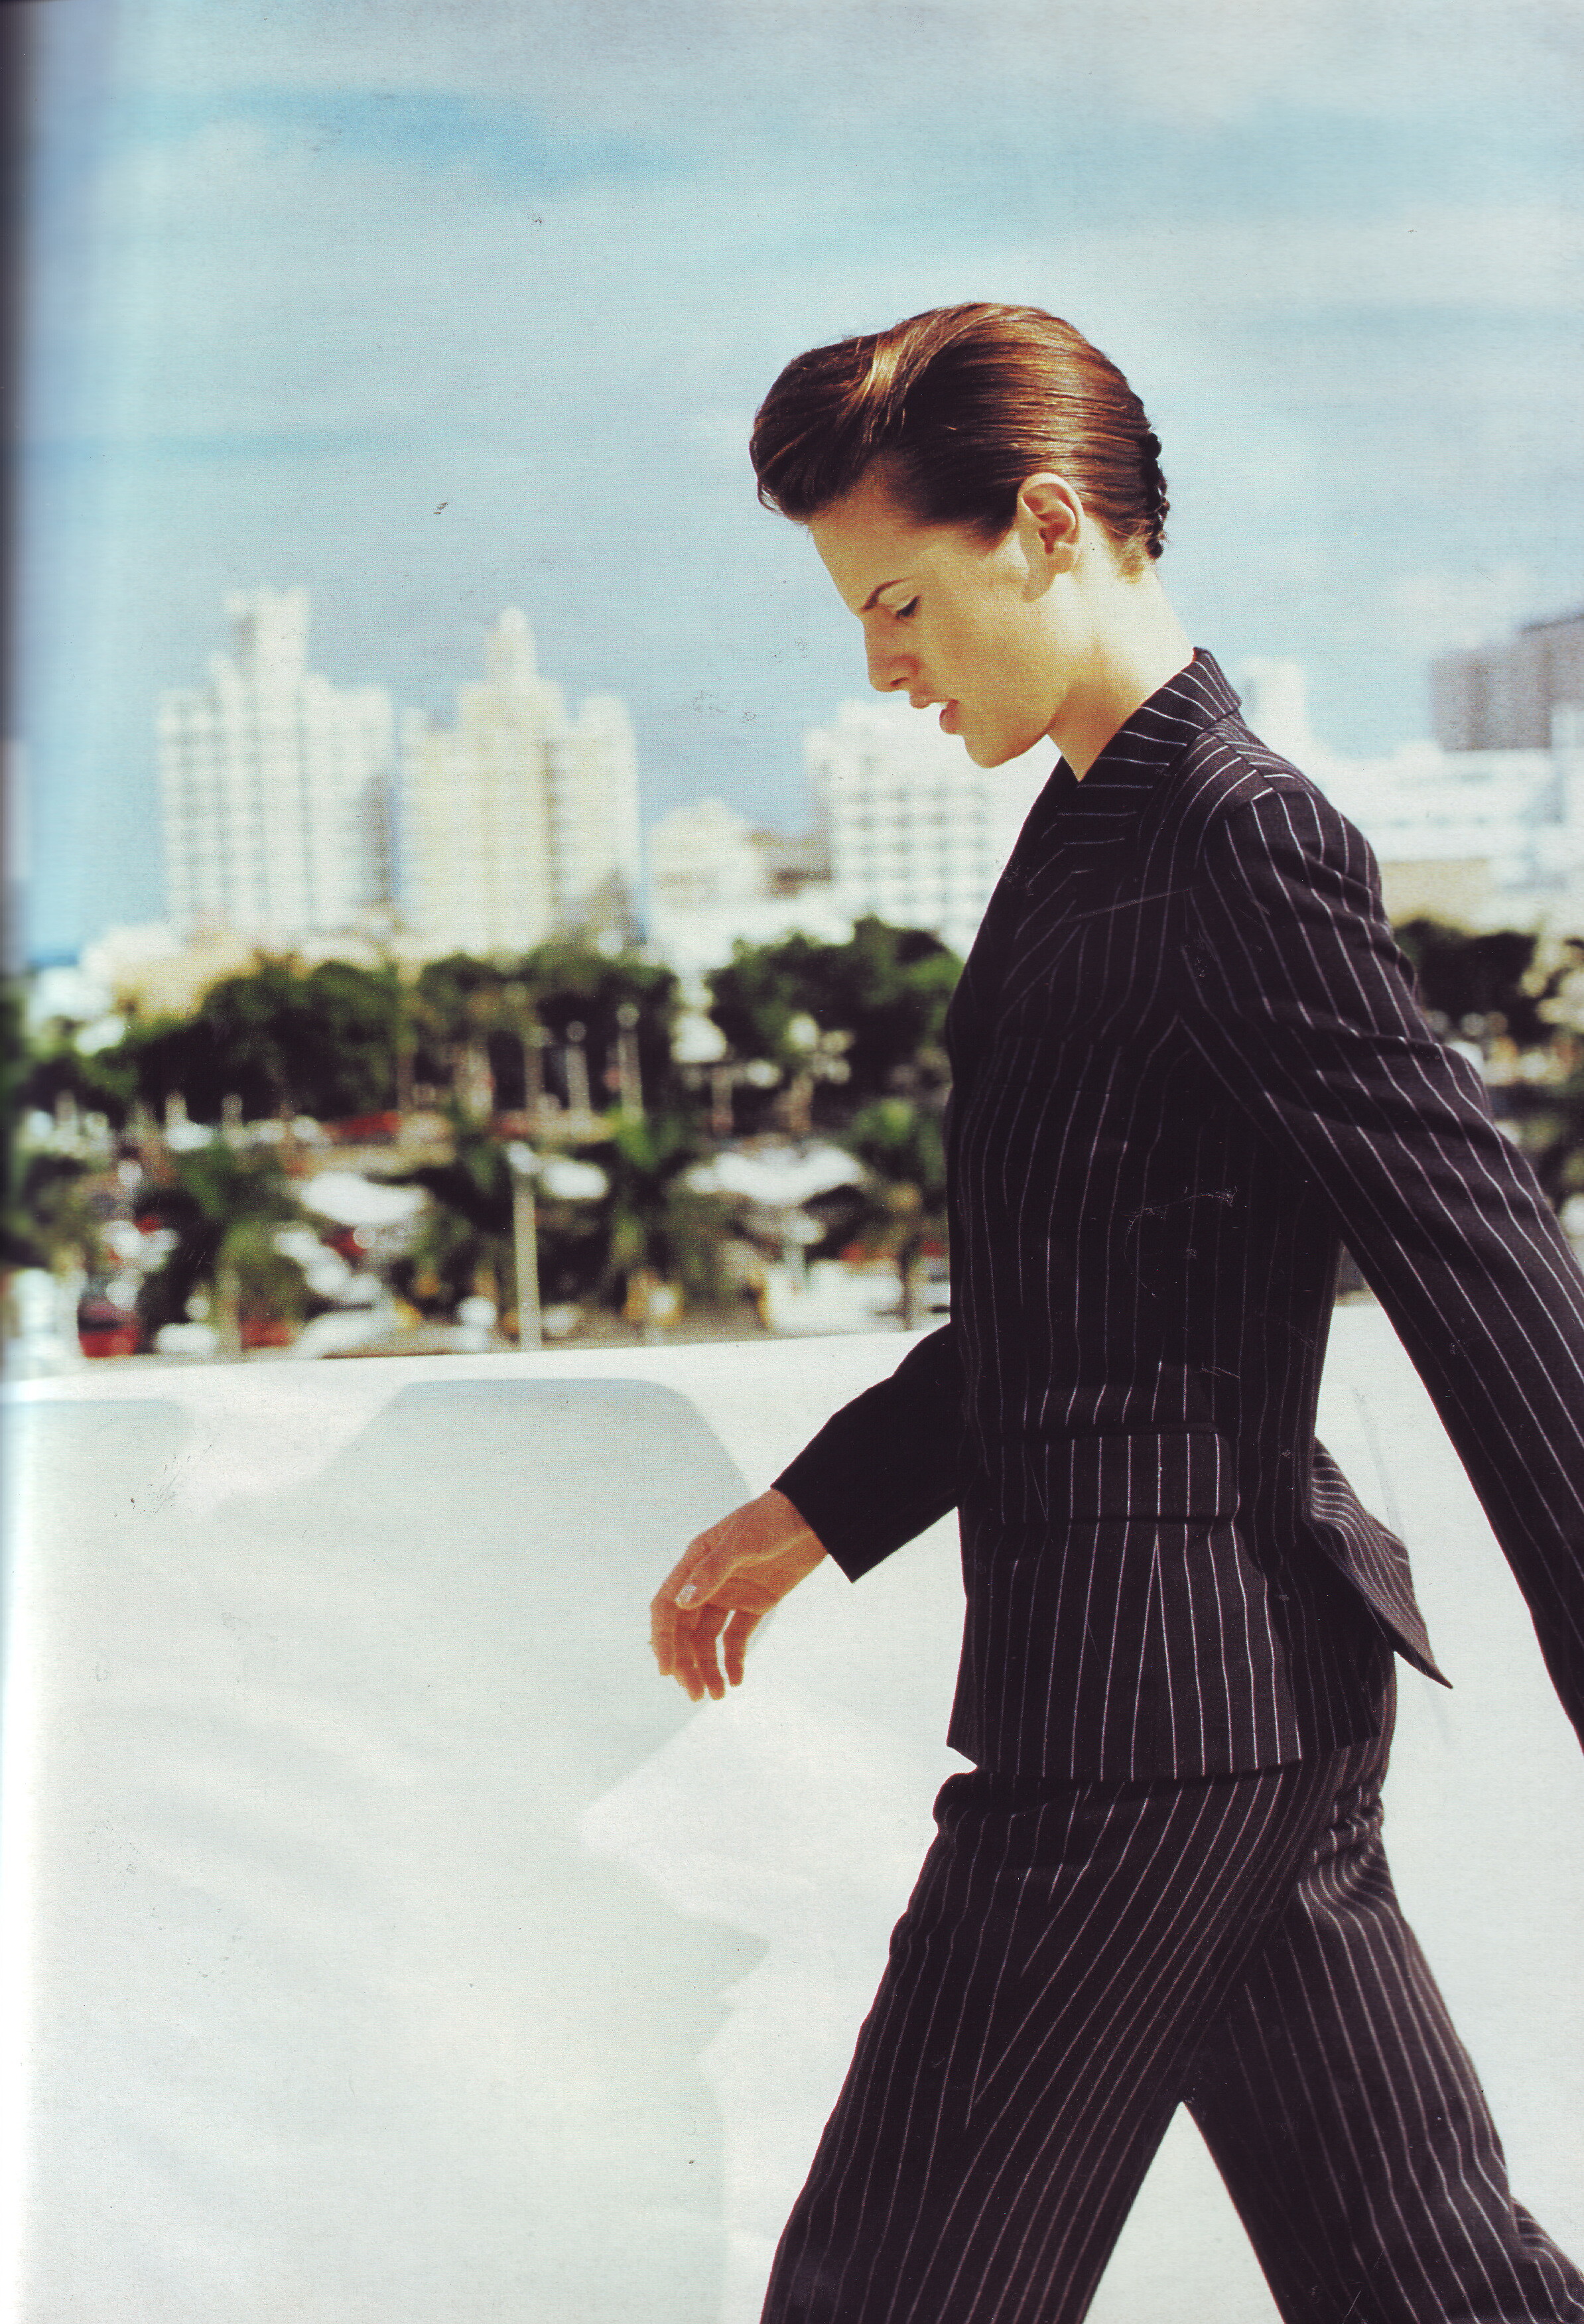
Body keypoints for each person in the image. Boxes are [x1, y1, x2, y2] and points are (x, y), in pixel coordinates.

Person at [648, 304, 1584, 2324]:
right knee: (1426, 2278)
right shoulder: (1099, 823)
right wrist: (824, 1505)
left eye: (899, 602)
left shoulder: (1233, 836)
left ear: (1050, 525)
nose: (880, 667)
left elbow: (1489, 1268)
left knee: (890, 2292)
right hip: (1219, 1699)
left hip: (1143, 1729)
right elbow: (1088, 1286)